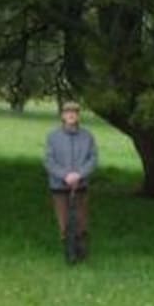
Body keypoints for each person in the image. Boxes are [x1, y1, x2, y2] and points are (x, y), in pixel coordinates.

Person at [44, 100, 97, 262]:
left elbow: (92, 159)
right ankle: (69, 252)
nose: (71, 115)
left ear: (78, 116)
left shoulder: (87, 136)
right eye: (68, 112)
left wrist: (79, 175)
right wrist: (65, 175)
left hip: (80, 185)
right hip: (59, 185)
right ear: (63, 116)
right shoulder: (53, 136)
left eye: (74, 112)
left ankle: (82, 251)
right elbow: (49, 161)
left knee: (81, 219)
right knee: (64, 219)